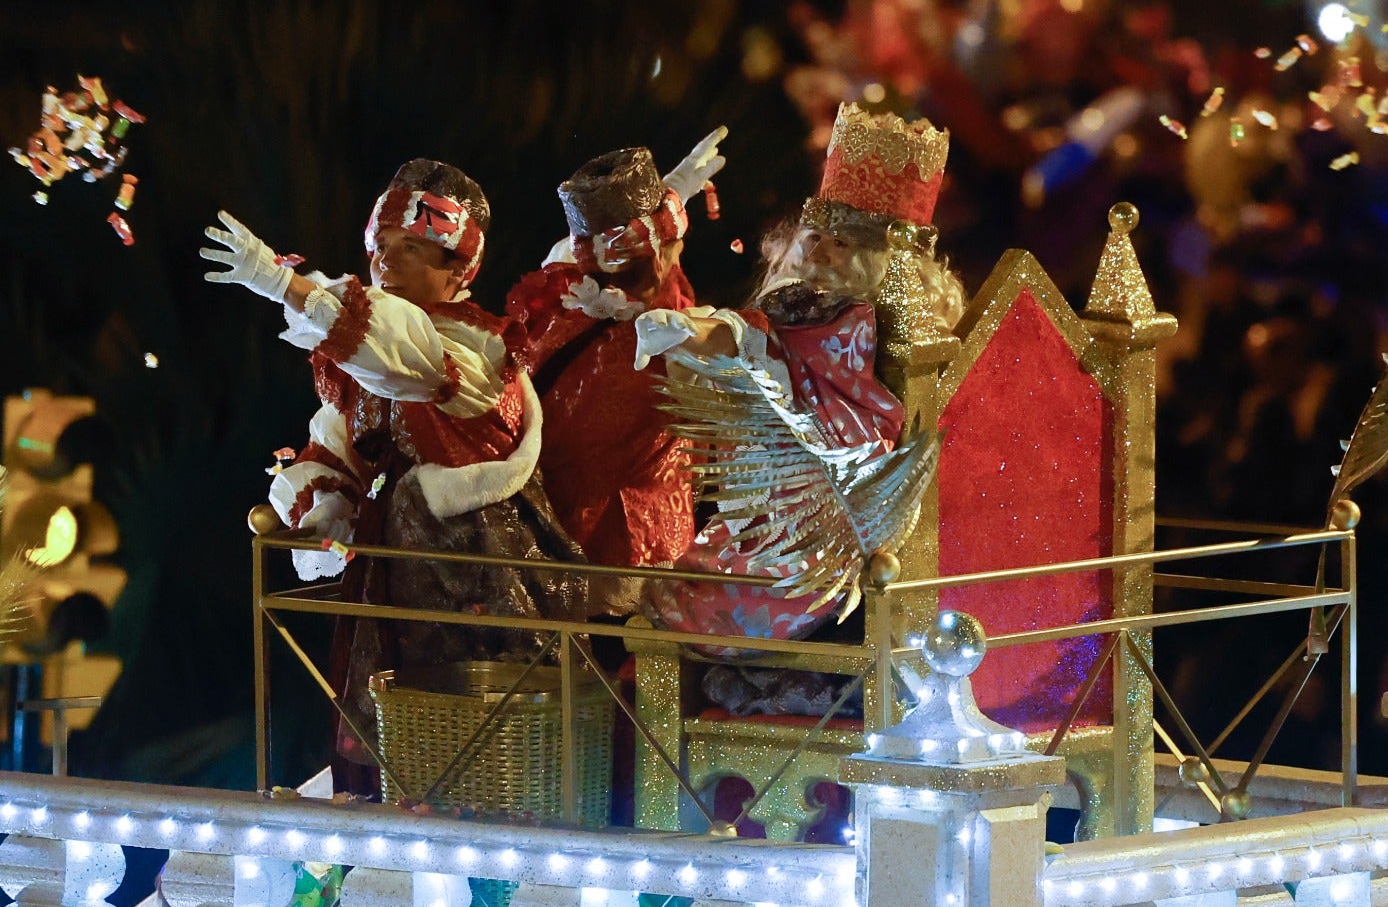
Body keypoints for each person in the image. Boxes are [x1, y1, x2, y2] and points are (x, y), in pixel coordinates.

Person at [201, 159, 582, 787]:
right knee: (391, 724)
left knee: (483, 743)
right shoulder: (363, 356)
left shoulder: (478, 349)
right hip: (395, 568)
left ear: (459, 267)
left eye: (412, 249)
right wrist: (326, 507)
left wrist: (286, 284)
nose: (387, 262)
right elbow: (337, 442)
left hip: (482, 568)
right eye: (381, 246)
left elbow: (403, 356)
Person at [632, 104, 963, 706]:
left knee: (710, 596)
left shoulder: (831, 315)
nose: (821, 251)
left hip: (825, 495)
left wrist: (688, 331)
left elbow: (743, 333)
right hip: (787, 490)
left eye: (843, 244)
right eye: (815, 236)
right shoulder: (800, 307)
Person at [504, 132, 725, 619]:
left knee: (636, 648)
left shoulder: (673, 320)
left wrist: (673, 193)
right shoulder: (565, 303)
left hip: (641, 526)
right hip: (574, 521)